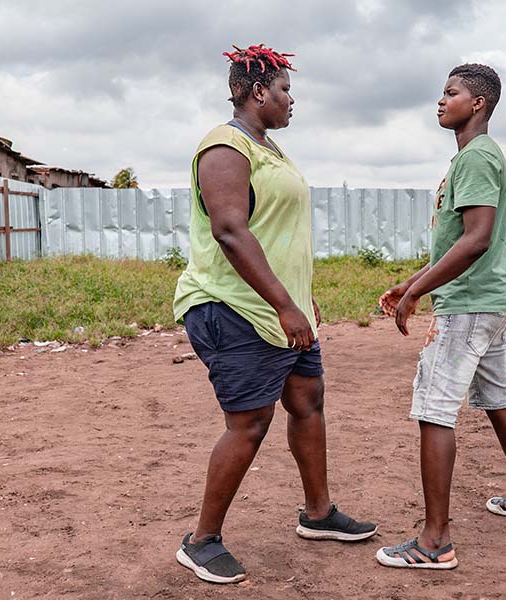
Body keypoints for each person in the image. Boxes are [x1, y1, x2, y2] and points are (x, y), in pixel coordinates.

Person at [172, 44, 377, 584]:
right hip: (235, 307)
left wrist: (301, 296)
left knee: (307, 401)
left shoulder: (271, 150)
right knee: (250, 423)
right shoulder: (225, 147)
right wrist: (284, 304)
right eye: (285, 89)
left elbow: (279, 235)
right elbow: (230, 231)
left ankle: (318, 515)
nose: (292, 99)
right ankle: (201, 541)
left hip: (282, 310)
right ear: (258, 90)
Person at [375, 64, 506, 570]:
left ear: (478, 104)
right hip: (490, 300)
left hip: (470, 305)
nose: (440, 100)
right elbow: (462, 241)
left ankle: (434, 542)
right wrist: (410, 283)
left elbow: (475, 240)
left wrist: (418, 298)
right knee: (496, 398)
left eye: (450, 93)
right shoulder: (478, 156)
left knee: (434, 410)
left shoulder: (475, 157)